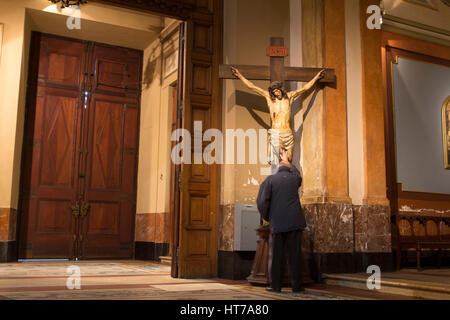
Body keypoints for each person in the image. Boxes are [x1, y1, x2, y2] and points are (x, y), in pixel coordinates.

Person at [231, 66, 325, 162]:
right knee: (276, 162)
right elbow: (253, 87)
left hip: (288, 133)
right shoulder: (269, 99)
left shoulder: (289, 96)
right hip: (276, 133)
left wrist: (316, 78)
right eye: (274, 92)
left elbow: (304, 88)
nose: (277, 93)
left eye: (278, 91)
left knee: (289, 161)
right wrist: (239, 75)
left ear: (281, 89)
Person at [256, 148, 306, 293]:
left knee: (276, 256)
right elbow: (299, 176)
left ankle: (276, 286)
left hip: (278, 222)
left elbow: (262, 202)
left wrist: (268, 217)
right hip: (295, 222)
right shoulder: (294, 178)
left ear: (277, 167)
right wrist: (289, 163)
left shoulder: (270, 180)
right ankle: (297, 286)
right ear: (287, 167)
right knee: (294, 255)